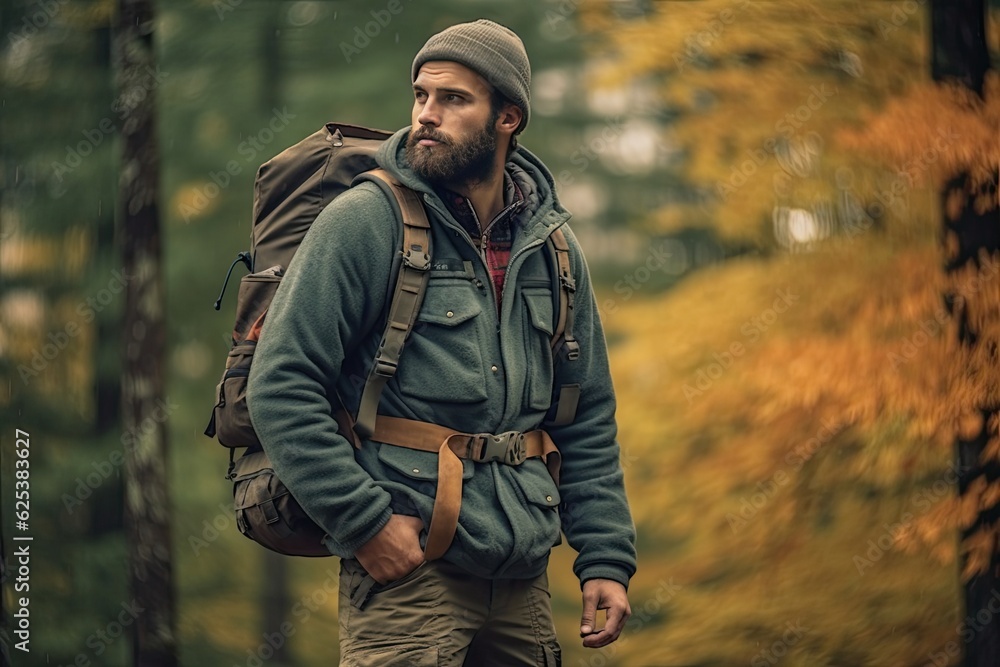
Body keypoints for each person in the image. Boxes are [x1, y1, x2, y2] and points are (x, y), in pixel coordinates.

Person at [247, 18, 636, 667]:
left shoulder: (556, 251)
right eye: (422, 95)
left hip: (522, 578)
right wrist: (365, 521)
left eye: (454, 99)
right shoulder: (365, 222)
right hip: (408, 571)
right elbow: (281, 385)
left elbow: (587, 418)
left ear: (507, 117)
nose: (427, 114)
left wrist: (605, 556)